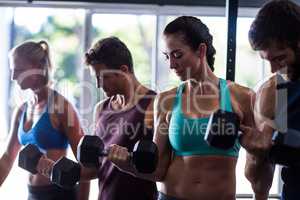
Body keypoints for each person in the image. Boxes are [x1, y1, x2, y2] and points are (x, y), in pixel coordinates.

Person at [106, 16, 255, 200]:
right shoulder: (166, 101)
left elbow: (258, 163)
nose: (171, 64)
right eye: (167, 56)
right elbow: (158, 170)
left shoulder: (241, 97)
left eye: (177, 55)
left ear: (201, 50)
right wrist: (127, 164)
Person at [0, 40, 91, 200]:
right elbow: (8, 157)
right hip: (32, 194)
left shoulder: (62, 108)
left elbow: (85, 163)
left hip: (59, 194)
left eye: (19, 70)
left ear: (36, 69)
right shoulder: (21, 110)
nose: (13, 77)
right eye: (12, 71)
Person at [84, 36, 157, 200]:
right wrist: (51, 169)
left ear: (124, 70)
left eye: (103, 77)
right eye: (96, 78)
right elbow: (97, 167)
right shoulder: (101, 108)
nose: (98, 85)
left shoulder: (154, 105)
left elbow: (163, 169)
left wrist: (128, 164)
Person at [243, 1, 300, 200]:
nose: (274, 70)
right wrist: (257, 153)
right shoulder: (278, 89)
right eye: (267, 60)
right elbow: (259, 184)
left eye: (280, 58)